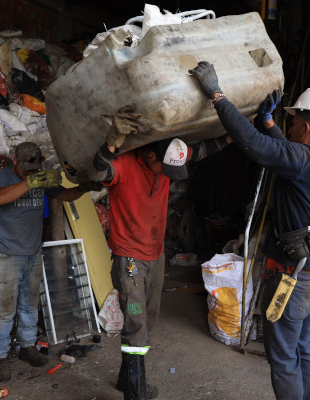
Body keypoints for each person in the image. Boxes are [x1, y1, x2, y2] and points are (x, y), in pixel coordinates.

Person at [189, 61, 310, 400]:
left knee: (284, 357)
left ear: (306, 126)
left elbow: (254, 145)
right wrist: (269, 122)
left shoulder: (302, 159)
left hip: (293, 279)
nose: (293, 126)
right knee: (304, 348)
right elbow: (280, 152)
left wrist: (217, 95)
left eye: (295, 120)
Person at [88, 105, 230, 400]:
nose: (167, 175)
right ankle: (135, 393)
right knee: (136, 318)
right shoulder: (125, 165)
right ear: (150, 155)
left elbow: (203, 149)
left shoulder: (171, 154)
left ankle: (126, 380)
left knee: (147, 319)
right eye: (164, 170)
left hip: (156, 255)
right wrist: (112, 142)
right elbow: (99, 169)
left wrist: (235, 133)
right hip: (130, 261)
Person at [0, 142, 102, 382]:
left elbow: (67, 194)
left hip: (33, 252)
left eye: (35, 168)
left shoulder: (40, 178)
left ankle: (27, 347)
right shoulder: (2, 178)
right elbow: (0, 199)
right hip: (7, 254)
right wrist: (31, 182)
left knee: (30, 305)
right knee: (4, 310)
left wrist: (87, 186)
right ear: (15, 161)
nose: (31, 172)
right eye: (26, 168)